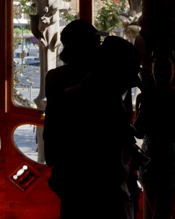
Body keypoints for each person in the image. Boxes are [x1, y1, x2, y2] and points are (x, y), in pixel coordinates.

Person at [54, 35, 142, 219]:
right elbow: (116, 174)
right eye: (126, 81)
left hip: (74, 201)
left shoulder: (65, 98)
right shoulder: (111, 106)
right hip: (107, 205)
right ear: (118, 76)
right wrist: (129, 156)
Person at [134, 49, 175, 219]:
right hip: (150, 162)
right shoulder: (144, 98)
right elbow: (138, 131)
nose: (162, 73)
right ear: (151, 71)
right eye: (158, 68)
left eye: (166, 68)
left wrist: (152, 113)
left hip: (170, 164)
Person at [44, 19, 105, 169]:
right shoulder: (99, 79)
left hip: (64, 165)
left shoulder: (53, 77)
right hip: (95, 164)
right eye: (97, 42)